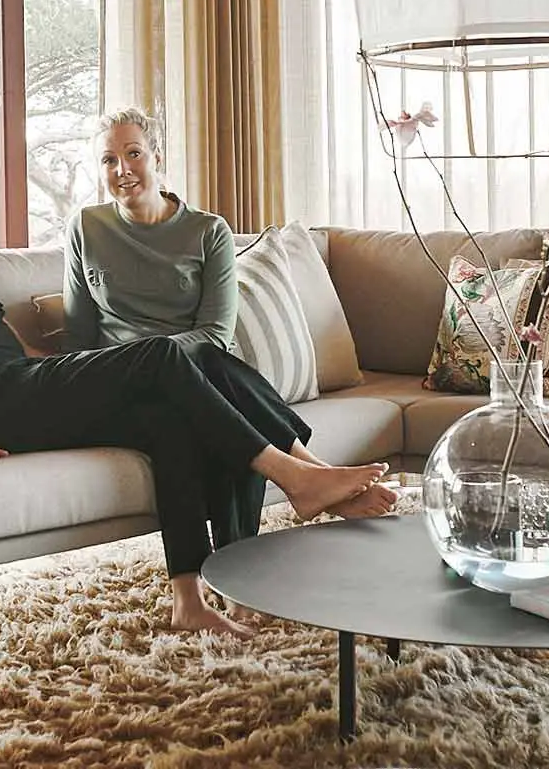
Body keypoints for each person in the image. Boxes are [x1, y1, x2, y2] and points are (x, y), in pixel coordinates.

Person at [0, 170, 389, 639]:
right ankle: (299, 476)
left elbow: (17, 350)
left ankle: (196, 596)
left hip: (27, 383)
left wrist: (71, 371)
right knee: (163, 356)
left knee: (188, 397)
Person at [64, 108, 395, 535]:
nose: (122, 170)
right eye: (109, 160)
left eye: (133, 154)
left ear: (157, 156)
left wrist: (170, 364)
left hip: (197, 376)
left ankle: (245, 563)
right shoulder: (86, 228)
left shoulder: (207, 231)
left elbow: (216, 334)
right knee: (216, 386)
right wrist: (140, 363)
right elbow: (77, 339)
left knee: (213, 391)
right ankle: (312, 476)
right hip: (123, 384)